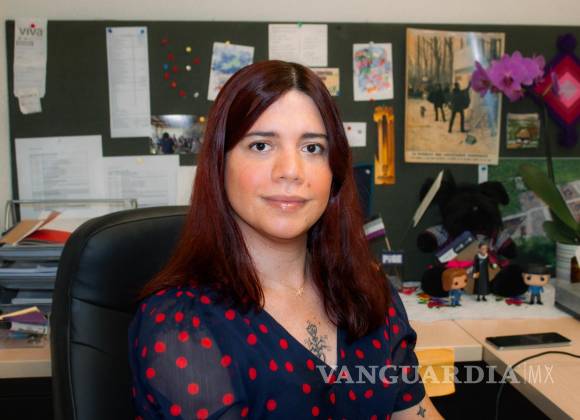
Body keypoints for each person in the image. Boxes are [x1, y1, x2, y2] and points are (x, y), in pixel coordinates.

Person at [128, 60, 440, 419]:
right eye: (261, 145)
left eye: (312, 148)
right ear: (219, 164)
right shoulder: (181, 324)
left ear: (334, 171)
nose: (291, 171)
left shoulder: (369, 292)